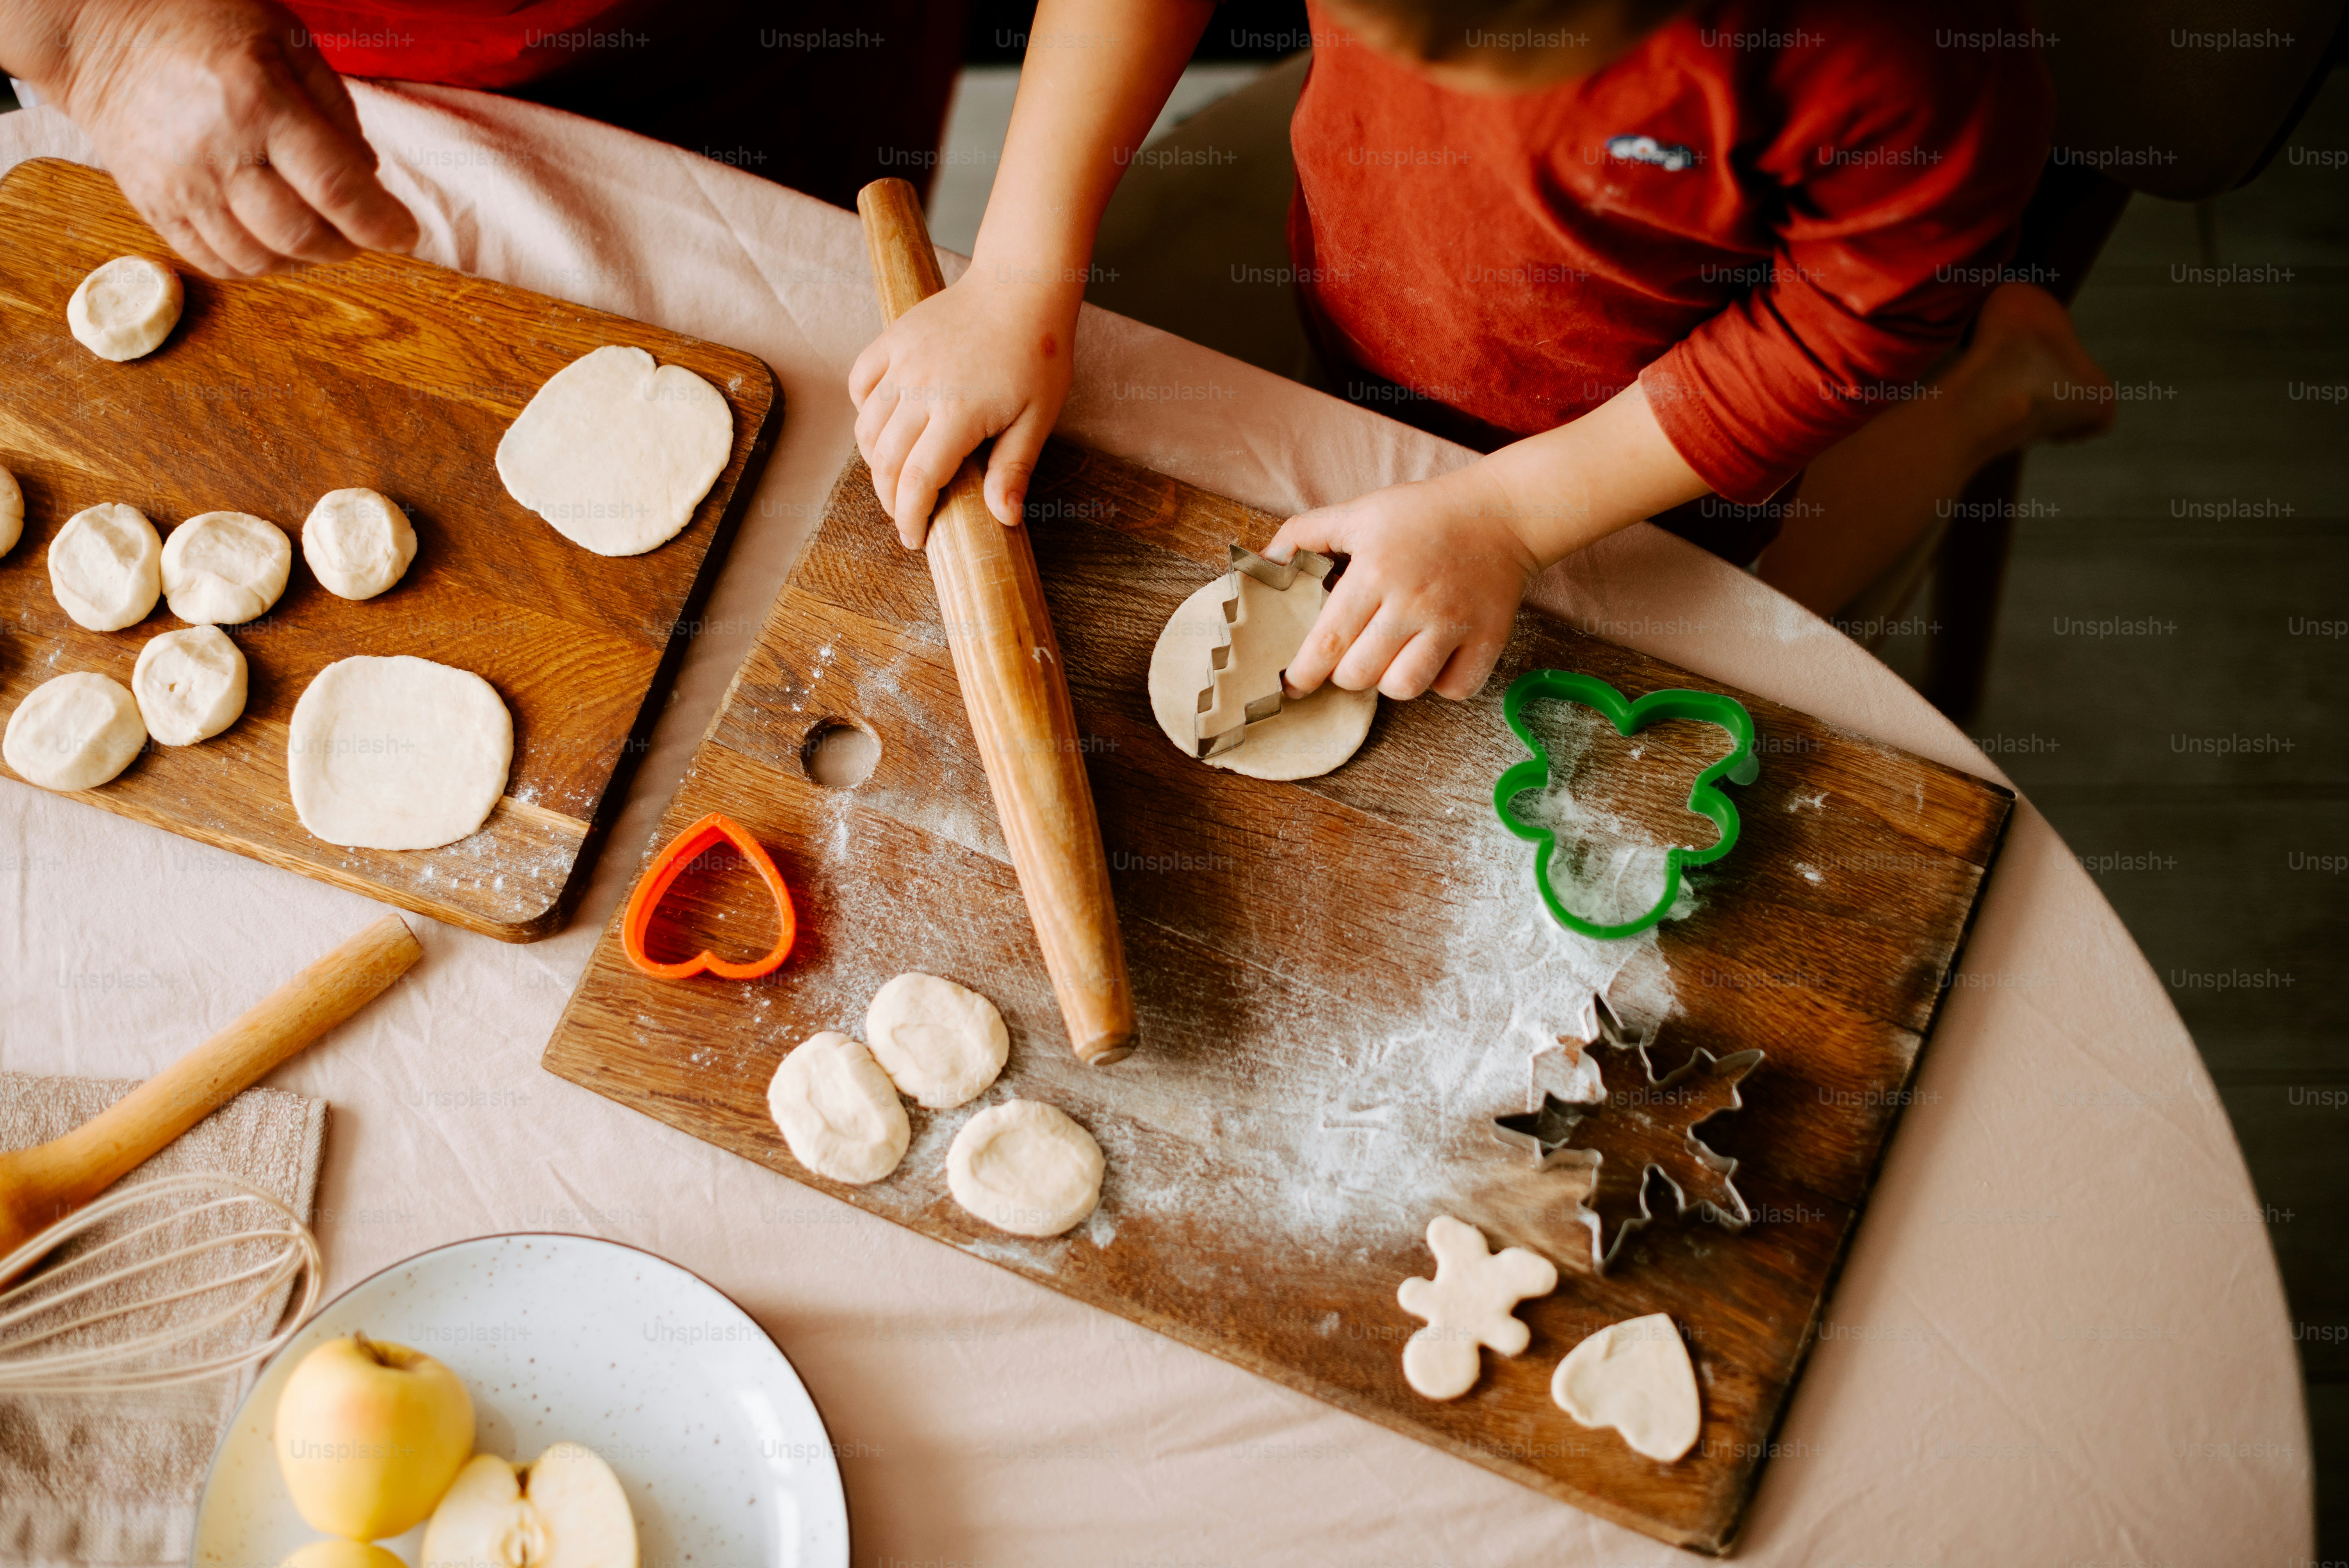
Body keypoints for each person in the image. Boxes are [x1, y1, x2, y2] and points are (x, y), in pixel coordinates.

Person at [848, 0, 2116, 701]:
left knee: (1687, 637)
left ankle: (1993, 384)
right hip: (1378, 299)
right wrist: (1017, 273)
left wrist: (1510, 519)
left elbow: (1844, 330)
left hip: (1649, 422)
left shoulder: (1905, 57)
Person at [0, 0, 962, 277]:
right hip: (296, 66)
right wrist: (100, 31)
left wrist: (1020, 277)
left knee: (806, 282)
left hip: (766, 47)